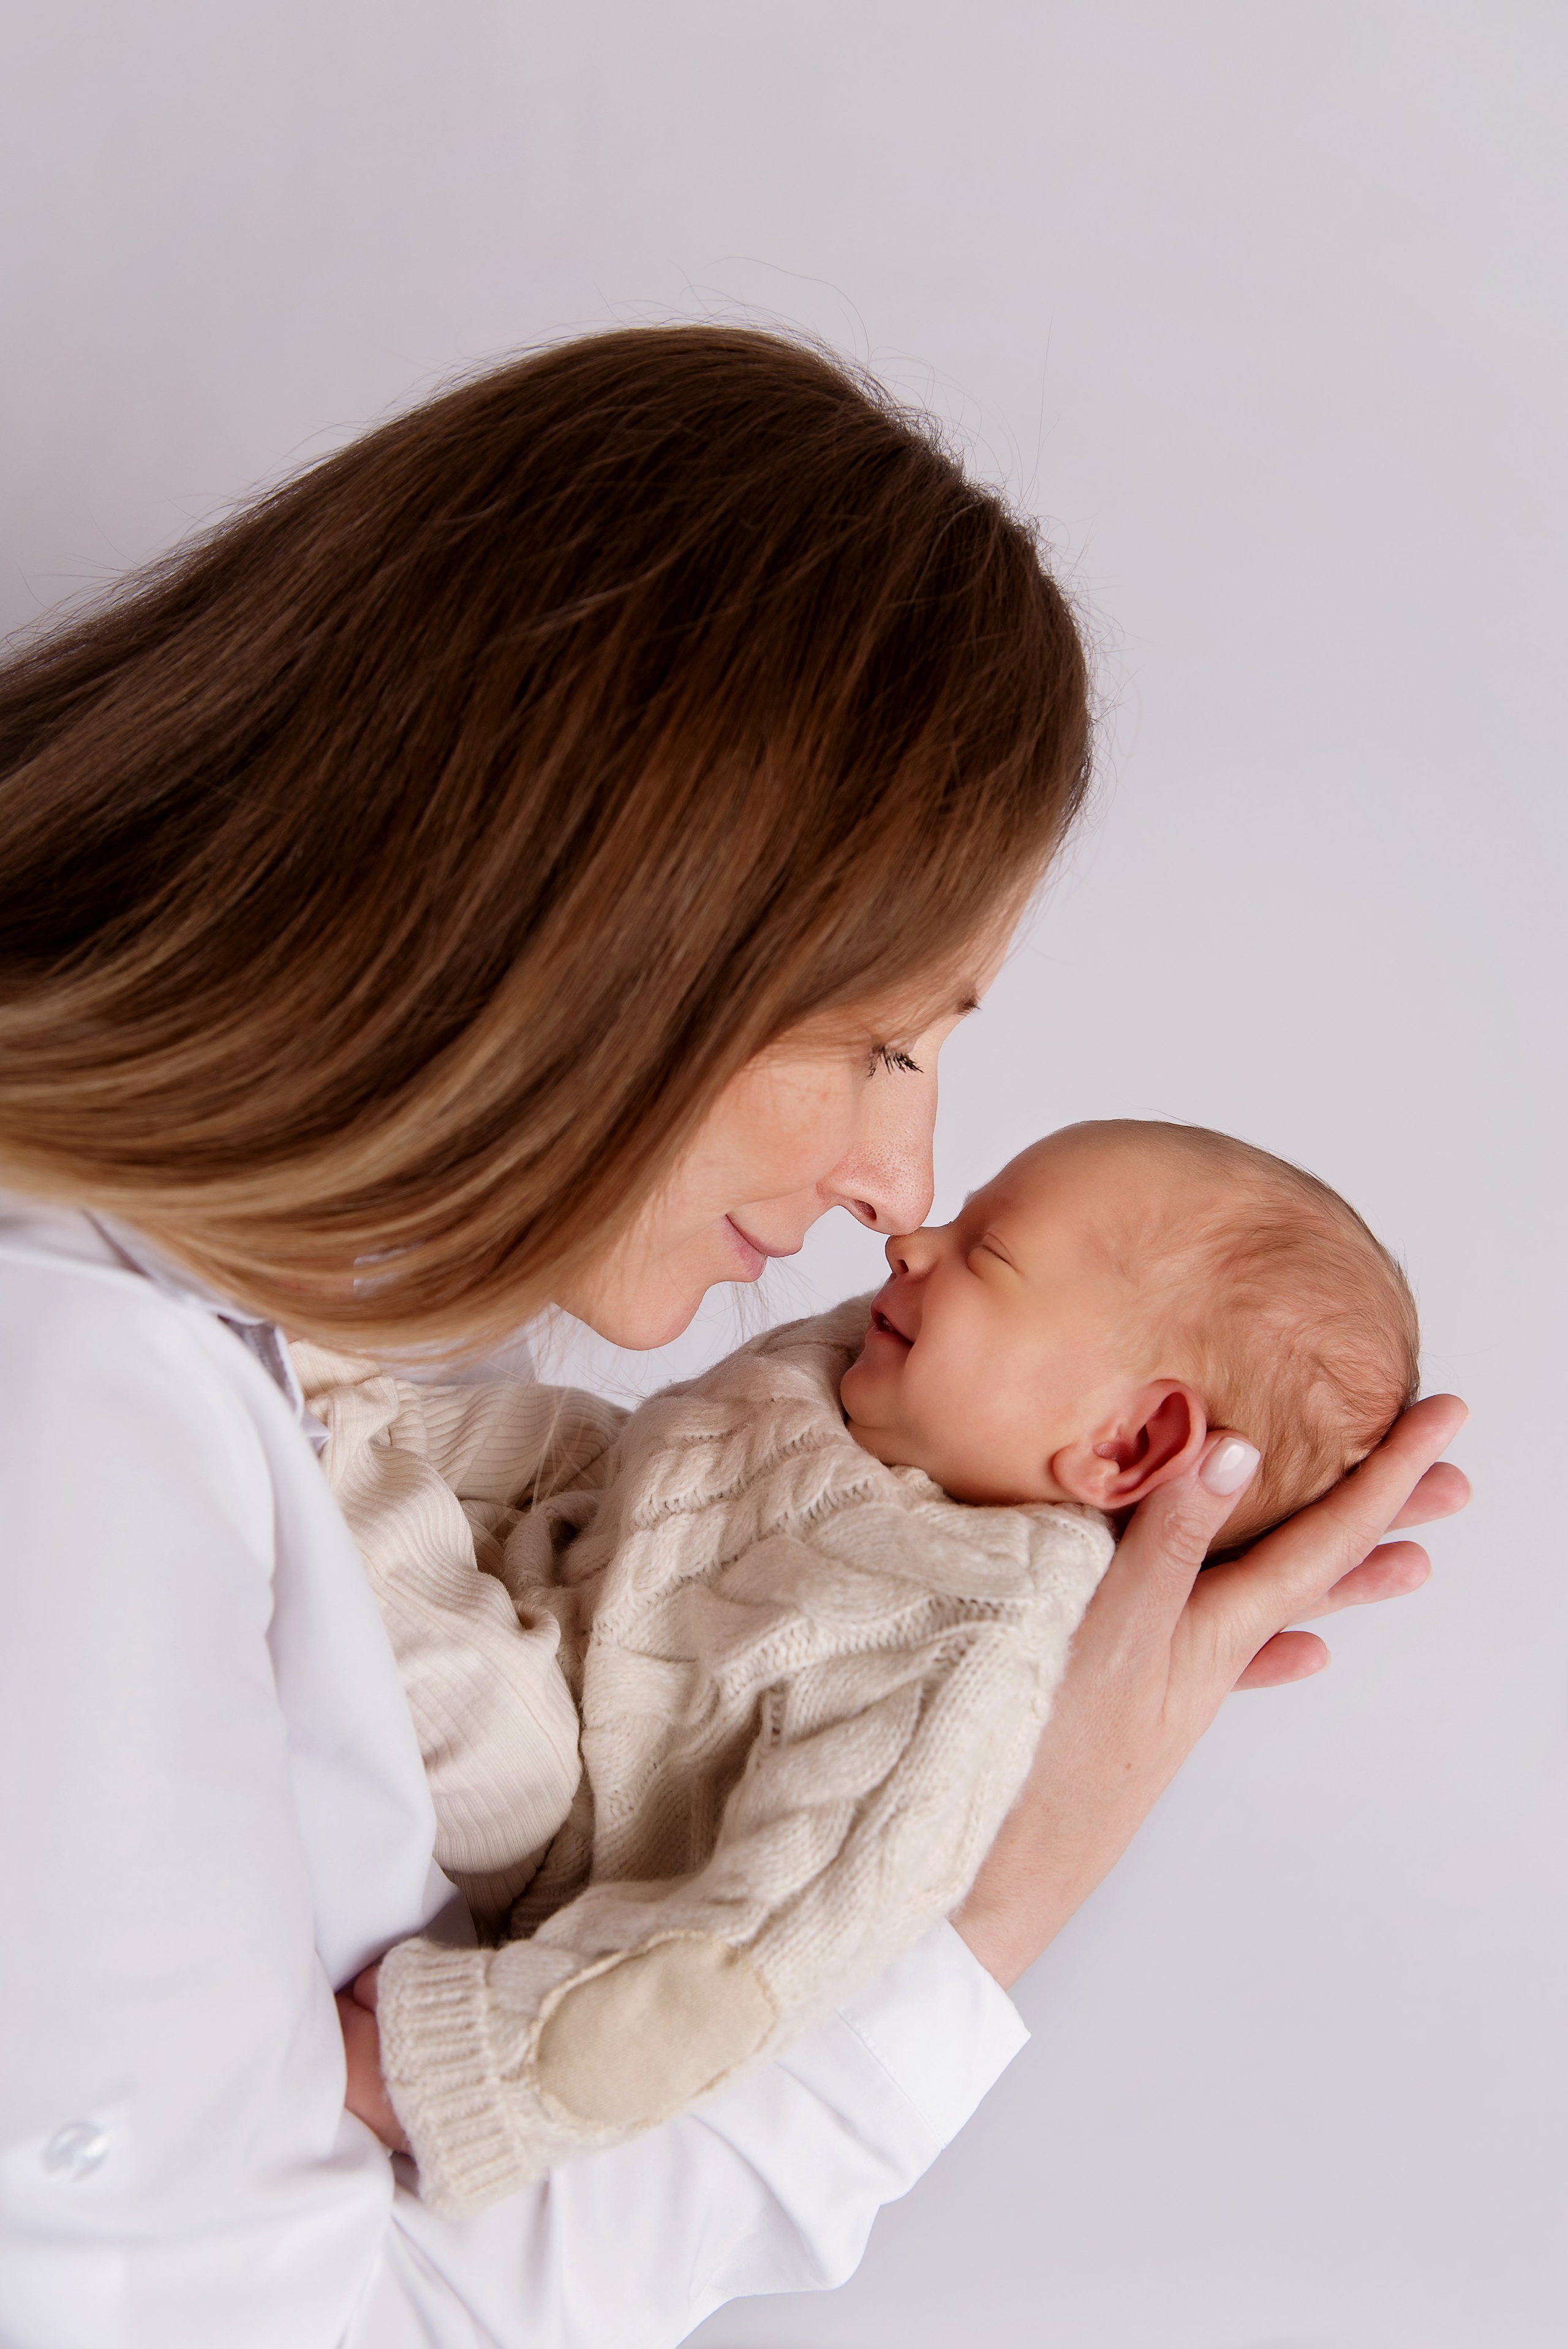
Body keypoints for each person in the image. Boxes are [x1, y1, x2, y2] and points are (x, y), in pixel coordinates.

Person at [0, 327, 1468, 2349]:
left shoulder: (225, 1362)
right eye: (881, 1039)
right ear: (595, 922)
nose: (900, 1180)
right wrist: (1004, 1884)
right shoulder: (67, 1408)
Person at [299, 1116, 1423, 2215]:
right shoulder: (878, 1377)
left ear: (1128, 1445)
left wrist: (455, 2073)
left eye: (988, 1251)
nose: (913, 1238)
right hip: (579, 1547)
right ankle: (320, 1408)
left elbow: (756, 1952)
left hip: (564, 1805)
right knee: (545, 1435)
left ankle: (303, 1456)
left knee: (483, 1708)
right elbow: (642, 1456)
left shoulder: (967, 1649)